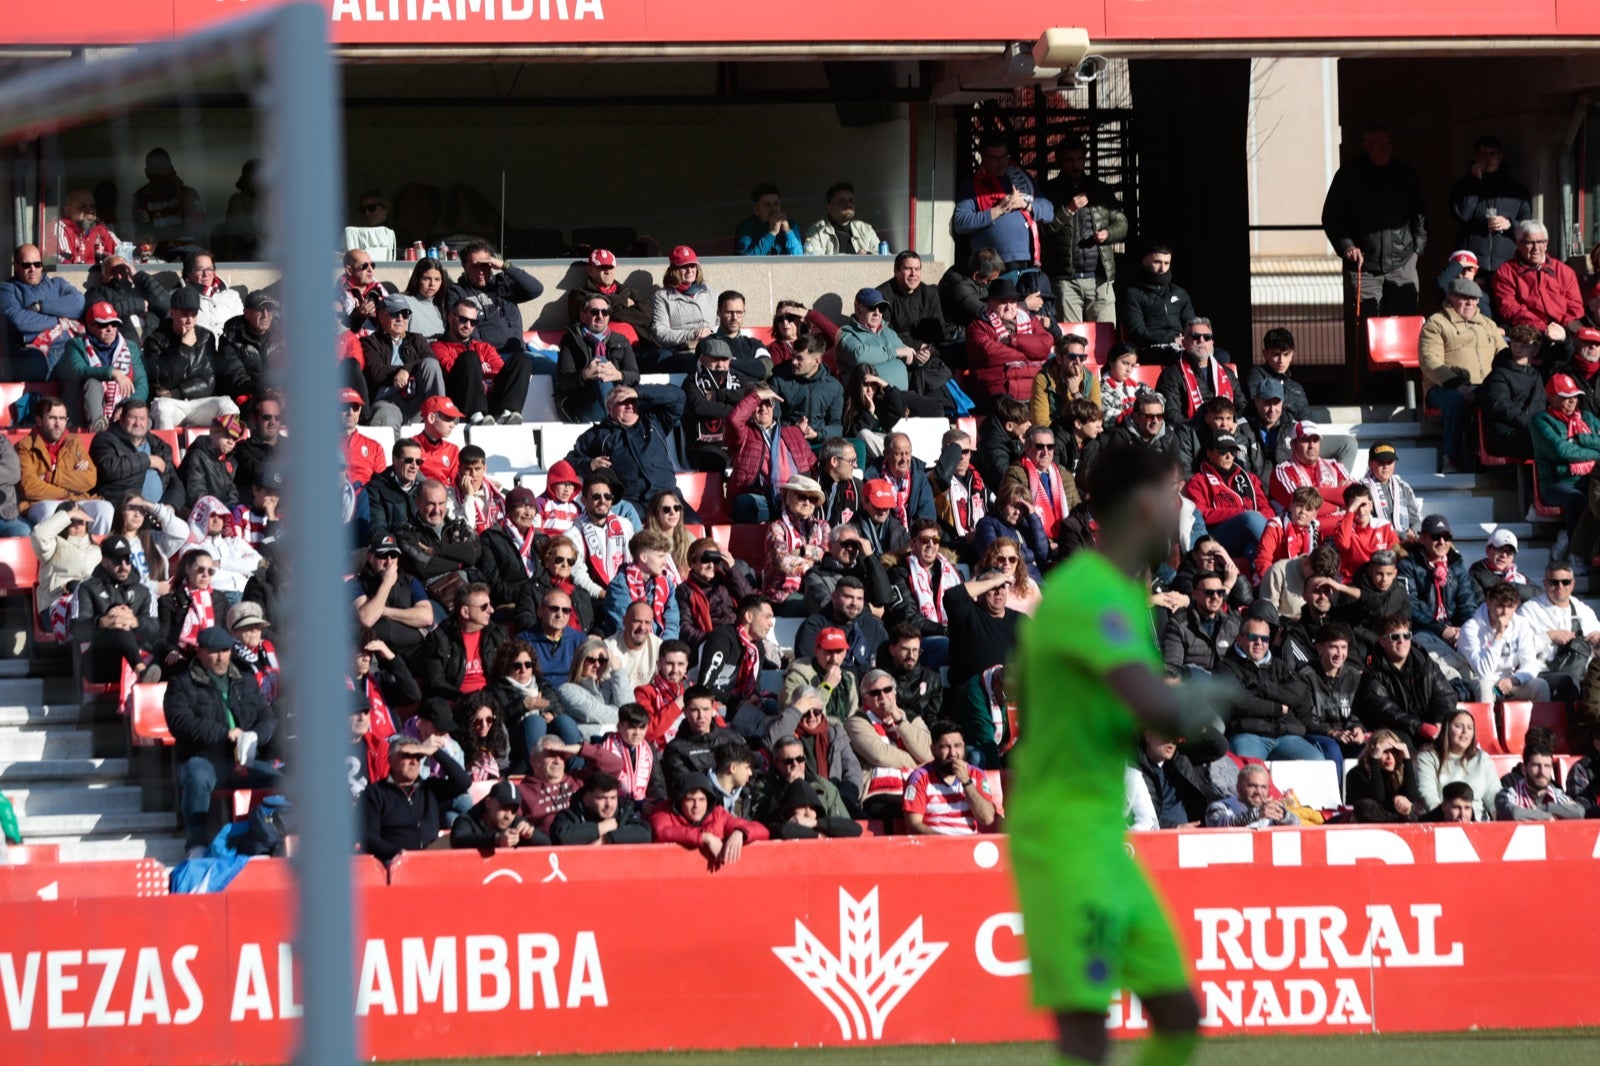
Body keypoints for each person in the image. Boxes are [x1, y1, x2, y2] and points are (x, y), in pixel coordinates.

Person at [163, 626, 281, 852]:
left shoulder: (244, 679)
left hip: (241, 761)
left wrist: (255, 735)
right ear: (199, 652)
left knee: (282, 782)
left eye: (225, 651)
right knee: (197, 777)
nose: (221, 657)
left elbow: (268, 717)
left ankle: (274, 840)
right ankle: (196, 845)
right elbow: (180, 722)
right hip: (201, 757)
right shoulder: (181, 683)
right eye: (214, 652)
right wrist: (224, 734)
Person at [1320, 125, 1427, 320]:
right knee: (1368, 328)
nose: (1386, 148)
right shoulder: (1348, 176)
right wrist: (1347, 246)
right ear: (1367, 145)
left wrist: (1417, 250)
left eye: (1389, 144)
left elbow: (1419, 215)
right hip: (1364, 266)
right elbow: (1331, 216)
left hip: (1403, 263)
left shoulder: (1404, 174)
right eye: (1380, 144)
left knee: (1404, 326)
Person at [1241, 328, 1359, 469]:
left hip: (1300, 438)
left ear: (1292, 355)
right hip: (1273, 438)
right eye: (1276, 354)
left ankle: (1341, 484)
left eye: (1286, 354)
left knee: (1348, 444)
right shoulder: (1256, 375)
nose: (1281, 360)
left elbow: (1308, 418)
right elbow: (1263, 409)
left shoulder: (1296, 387)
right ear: (1265, 353)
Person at [1039, 137, 1126, 324]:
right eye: (1070, 160)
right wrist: (1068, 209)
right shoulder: (1049, 190)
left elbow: (1122, 223)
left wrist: (1109, 234)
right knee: (1069, 340)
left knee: (1105, 337)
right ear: (1059, 161)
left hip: (1100, 278)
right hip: (1065, 279)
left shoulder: (1100, 189)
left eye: (1079, 159)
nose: (1075, 165)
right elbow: (1043, 229)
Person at [1420, 277, 1503, 470]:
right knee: (1456, 400)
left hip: (1484, 385)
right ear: (1450, 298)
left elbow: (1503, 354)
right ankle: (1451, 458)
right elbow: (1429, 361)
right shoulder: (1436, 323)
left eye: (1474, 299)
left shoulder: (1487, 324)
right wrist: (1455, 383)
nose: (1470, 303)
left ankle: (1494, 457)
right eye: (1464, 298)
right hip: (1444, 387)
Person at [1218, 614, 1323, 761]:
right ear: (1239, 638)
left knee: (1318, 763)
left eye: (1265, 639)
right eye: (1253, 637)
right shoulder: (1226, 667)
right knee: (1247, 767)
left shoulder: (1279, 665)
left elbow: (1298, 693)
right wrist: (1278, 708)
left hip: (1286, 735)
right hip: (1248, 734)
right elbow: (1241, 702)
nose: (1259, 643)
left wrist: (1264, 690)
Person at [566, 386, 684, 514]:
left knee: (694, 525)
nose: (629, 406)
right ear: (609, 407)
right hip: (631, 503)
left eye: (632, 401)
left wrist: (638, 392)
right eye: (622, 402)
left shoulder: (654, 422)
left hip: (668, 496)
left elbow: (679, 397)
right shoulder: (597, 435)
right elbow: (568, 463)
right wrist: (589, 465)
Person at [953, 133, 1054, 273]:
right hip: (993, 267)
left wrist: (1025, 204)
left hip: (1029, 260)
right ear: (983, 156)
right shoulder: (972, 184)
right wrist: (998, 210)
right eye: (994, 158)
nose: (1000, 163)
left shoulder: (1021, 179)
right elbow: (960, 223)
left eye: (1003, 157)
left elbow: (1049, 211)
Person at [362, 733, 471, 860]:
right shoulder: (375, 793)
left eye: (418, 757)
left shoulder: (429, 788)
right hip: (394, 864)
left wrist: (435, 752)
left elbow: (463, 782)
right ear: (391, 760)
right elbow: (369, 838)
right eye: (407, 756)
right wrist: (401, 855)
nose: (414, 762)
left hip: (431, 862)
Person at [142, 286, 237, 430]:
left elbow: (209, 382)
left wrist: (175, 392)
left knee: (228, 405)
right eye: (185, 314)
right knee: (162, 408)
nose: (190, 320)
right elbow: (162, 381)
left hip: (200, 403)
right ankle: (166, 452)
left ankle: (231, 450)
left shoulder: (206, 336)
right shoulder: (155, 340)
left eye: (194, 314)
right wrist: (184, 349)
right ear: (172, 312)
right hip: (172, 406)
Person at [1355, 613, 1458, 743]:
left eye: (1406, 636)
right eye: (1395, 637)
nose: (1402, 641)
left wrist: (1439, 721)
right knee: (1402, 741)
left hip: (1430, 728)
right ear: (1382, 641)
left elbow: (1446, 695)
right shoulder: (1373, 673)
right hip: (1395, 731)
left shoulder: (1426, 664)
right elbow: (1385, 710)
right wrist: (1419, 727)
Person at [16, 395, 112, 533]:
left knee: (104, 508)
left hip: (76, 500)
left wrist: (51, 477)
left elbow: (90, 479)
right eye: (52, 418)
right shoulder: (25, 446)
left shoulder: (73, 442)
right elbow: (29, 487)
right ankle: (50, 553)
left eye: (62, 418)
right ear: (39, 420)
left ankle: (96, 553)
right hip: (39, 502)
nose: (58, 424)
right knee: (50, 510)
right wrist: (68, 491)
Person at [1532, 373, 1600, 564]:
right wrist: (1595, 451)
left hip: (1591, 478)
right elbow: (1561, 451)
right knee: (1579, 498)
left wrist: (1582, 439)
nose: (1572, 401)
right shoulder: (1541, 421)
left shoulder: (1588, 418)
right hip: (1557, 482)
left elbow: (1571, 447)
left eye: (1574, 396)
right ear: (1551, 398)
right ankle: (1575, 552)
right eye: (1565, 397)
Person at [430, 298, 532, 426]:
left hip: (489, 399)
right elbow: (451, 370)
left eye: (473, 322)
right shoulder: (438, 347)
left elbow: (499, 370)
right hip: (461, 399)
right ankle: (476, 416)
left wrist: (482, 382)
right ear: (451, 317)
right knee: (470, 358)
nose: (468, 325)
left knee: (521, 360)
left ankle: (507, 414)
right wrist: (480, 380)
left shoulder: (484, 347)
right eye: (463, 320)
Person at [1492, 221, 1584, 360]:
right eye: (1529, 242)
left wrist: (1559, 330)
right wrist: (1542, 329)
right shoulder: (1506, 271)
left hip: (1564, 331)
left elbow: (1575, 307)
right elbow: (1509, 308)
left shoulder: (1564, 271)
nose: (1536, 248)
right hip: (1529, 334)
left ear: (1546, 243)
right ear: (1518, 243)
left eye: (1540, 242)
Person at [724, 386, 817, 523]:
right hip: (764, 498)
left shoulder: (793, 432)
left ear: (773, 407)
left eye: (767, 403)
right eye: (757, 404)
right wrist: (756, 396)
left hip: (795, 495)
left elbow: (812, 463)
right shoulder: (745, 434)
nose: (763, 408)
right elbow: (734, 421)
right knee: (744, 503)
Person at [55, 301, 146, 431]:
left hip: (123, 409)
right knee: (92, 382)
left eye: (114, 323)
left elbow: (142, 383)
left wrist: (127, 406)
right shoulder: (75, 345)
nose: (110, 329)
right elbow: (79, 370)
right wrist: (113, 373)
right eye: (103, 324)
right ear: (91, 326)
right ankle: (98, 429)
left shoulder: (130, 347)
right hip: (83, 413)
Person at [1450, 134, 1532, 276]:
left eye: (1492, 153)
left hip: (1507, 264)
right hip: (1472, 264)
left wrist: (1509, 224)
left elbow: (1528, 228)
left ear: (1500, 157)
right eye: (1483, 154)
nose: (1488, 158)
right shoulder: (1463, 186)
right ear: (1476, 157)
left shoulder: (1516, 191)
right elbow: (1464, 214)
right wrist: (1474, 181)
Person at [1183, 433, 1271, 564]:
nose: (1229, 456)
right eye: (1223, 451)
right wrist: (1240, 513)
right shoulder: (1198, 481)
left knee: (1252, 550)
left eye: (1233, 451)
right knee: (1250, 518)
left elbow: (1266, 508)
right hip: (1217, 535)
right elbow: (1201, 514)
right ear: (1210, 453)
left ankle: (1260, 581)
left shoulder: (1250, 478)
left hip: (1249, 532)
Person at [360, 295, 446, 428]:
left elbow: (431, 361)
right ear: (382, 315)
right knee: (385, 419)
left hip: (417, 399)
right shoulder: (370, 342)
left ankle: (440, 411)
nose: (401, 318)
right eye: (395, 314)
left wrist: (406, 369)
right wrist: (400, 371)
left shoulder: (417, 339)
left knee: (430, 364)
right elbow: (376, 373)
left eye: (405, 314)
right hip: (389, 400)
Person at [1, 244, 85, 379]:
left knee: (83, 360)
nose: (32, 269)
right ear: (15, 266)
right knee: (36, 361)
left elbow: (78, 304)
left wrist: (40, 307)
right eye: (26, 265)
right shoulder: (7, 290)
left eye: (37, 264)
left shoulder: (57, 284)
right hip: (29, 352)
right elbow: (19, 321)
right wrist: (59, 321)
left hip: (64, 347)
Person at [650, 773, 769, 869]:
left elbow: (762, 830)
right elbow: (661, 832)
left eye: (701, 799)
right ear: (679, 801)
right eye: (690, 800)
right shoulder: (663, 811)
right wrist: (704, 837)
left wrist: (740, 833)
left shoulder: (717, 814)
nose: (697, 805)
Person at [902, 720, 1001, 836]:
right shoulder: (919, 777)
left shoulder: (976, 775)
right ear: (933, 749)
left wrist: (966, 782)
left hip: (969, 845)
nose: (953, 753)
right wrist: (949, 843)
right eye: (945, 747)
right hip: (934, 847)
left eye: (957, 746)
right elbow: (913, 825)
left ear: (964, 747)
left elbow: (987, 819)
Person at [1458, 581, 1551, 704]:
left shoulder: (1521, 624)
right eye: (1500, 606)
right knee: (1484, 685)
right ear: (1489, 603)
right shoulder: (1471, 628)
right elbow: (1483, 672)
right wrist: (1499, 634)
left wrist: (1514, 680)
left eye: (1510, 607)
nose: (1505, 612)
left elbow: (1530, 664)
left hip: (1506, 683)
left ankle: (1540, 724)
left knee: (1541, 686)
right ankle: (1486, 723)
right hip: (1476, 682)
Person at [1520, 561, 1600, 701]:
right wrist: (1548, 636)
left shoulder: (1585, 611)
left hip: (1583, 672)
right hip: (1543, 673)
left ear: (1573, 584)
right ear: (1545, 584)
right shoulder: (1529, 610)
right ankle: (1568, 722)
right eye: (1554, 582)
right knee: (1568, 681)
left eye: (1565, 582)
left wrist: (1597, 643)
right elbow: (1516, 649)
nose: (1560, 587)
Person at [448, 241, 544, 356]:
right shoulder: (457, 292)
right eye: (475, 266)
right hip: (488, 357)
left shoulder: (503, 282)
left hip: (519, 352)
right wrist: (487, 357)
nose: (481, 272)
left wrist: (505, 266)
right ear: (464, 267)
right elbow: (462, 329)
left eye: (485, 265)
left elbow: (536, 289)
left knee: (554, 369)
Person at [557, 293, 641, 424]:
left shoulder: (621, 340)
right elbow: (563, 381)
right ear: (583, 316)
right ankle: (613, 423)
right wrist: (585, 375)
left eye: (605, 312)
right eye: (595, 312)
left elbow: (635, 376)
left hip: (620, 402)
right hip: (584, 403)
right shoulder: (571, 340)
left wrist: (618, 374)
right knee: (601, 363)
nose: (600, 316)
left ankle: (613, 420)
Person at [964, 279, 1055, 400]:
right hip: (999, 389)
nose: (1009, 307)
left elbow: (1046, 343)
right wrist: (1032, 354)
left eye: (1012, 302)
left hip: (1034, 388)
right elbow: (990, 354)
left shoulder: (1030, 321)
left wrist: (1013, 341)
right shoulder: (977, 326)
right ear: (990, 303)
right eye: (1003, 302)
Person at [1414, 707, 1501, 821]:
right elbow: (1427, 795)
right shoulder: (1428, 757)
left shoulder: (1482, 758)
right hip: (1443, 820)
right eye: (1459, 726)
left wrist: (1499, 814)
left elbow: (1494, 794)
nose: (1465, 731)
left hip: (1479, 823)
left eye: (1470, 728)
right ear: (1447, 730)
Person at [942, 569, 1023, 688]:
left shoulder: (1020, 620)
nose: (998, 591)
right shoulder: (967, 613)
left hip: (1011, 695)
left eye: (1001, 586)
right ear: (980, 590)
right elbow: (951, 596)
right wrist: (993, 581)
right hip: (971, 694)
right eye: (993, 587)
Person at [1003, 426, 1079, 552]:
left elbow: (1077, 512)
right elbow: (1017, 516)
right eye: (1040, 446)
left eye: (1050, 447)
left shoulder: (1066, 476)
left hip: (1066, 542)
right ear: (1027, 448)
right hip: (1033, 542)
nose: (1046, 452)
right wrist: (1046, 544)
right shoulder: (1015, 474)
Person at [696, 594, 777, 710]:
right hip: (702, 702)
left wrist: (754, 697)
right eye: (767, 617)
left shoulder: (757, 647)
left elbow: (755, 685)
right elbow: (704, 687)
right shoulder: (721, 639)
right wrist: (737, 702)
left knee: (772, 707)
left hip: (733, 701)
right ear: (749, 616)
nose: (771, 623)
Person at [680, 337, 750, 470]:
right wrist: (736, 409)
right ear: (703, 359)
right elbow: (700, 408)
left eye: (724, 360)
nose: (720, 365)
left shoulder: (740, 379)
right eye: (715, 359)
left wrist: (719, 395)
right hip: (703, 446)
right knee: (714, 458)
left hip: (738, 442)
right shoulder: (692, 381)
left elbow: (750, 402)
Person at [1130, 731, 1224, 829]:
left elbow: (1220, 748)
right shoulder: (1132, 768)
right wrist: (1175, 827)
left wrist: (1199, 725)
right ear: (1148, 735)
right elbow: (1135, 817)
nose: (1171, 742)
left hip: (1193, 831)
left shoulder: (1181, 758)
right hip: (1158, 835)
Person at [662, 686, 745, 792]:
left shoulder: (733, 738)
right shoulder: (675, 749)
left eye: (706, 709)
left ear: (713, 710)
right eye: (694, 710)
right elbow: (685, 786)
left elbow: (749, 774)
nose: (701, 716)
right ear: (685, 711)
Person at [1479, 323, 1544, 461]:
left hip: (1528, 431)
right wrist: (1529, 425)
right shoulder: (1499, 374)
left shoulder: (1537, 375)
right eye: (1515, 344)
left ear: (1535, 350)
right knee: (1546, 441)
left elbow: (1538, 405)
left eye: (1525, 345)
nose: (1519, 349)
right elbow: (1500, 406)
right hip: (1504, 434)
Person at [1154, 319, 1239, 424]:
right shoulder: (1171, 375)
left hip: (1227, 432)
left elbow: (1241, 405)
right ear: (1184, 342)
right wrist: (1198, 430)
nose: (1201, 340)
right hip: (1191, 435)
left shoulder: (1227, 374)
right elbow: (1171, 414)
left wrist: (1232, 425)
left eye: (1207, 337)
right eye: (1195, 336)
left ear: (1212, 343)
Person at [602, 530, 680, 640]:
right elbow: (625, 625)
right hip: (630, 647)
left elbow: (672, 623)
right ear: (643, 557)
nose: (665, 562)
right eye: (660, 556)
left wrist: (663, 647)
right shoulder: (619, 585)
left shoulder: (668, 585)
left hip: (662, 648)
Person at [1118, 244, 1195, 356]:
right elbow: (1137, 331)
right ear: (1145, 261)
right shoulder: (1134, 294)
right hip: (1150, 347)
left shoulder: (1180, 293)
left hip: (1182, 345)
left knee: (1221, 355)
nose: (1162, 269)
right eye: (1157, 262)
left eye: (1166, 263)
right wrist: (1172, 339)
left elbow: (1192, 325)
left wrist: (1189, 339)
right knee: (1180, 355)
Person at [1161, 570, 1241, 678]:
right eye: (1209, 592)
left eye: (1220, 592)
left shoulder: (1233, 624)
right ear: (1195, 594)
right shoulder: (1179, 625)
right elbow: (1172, 669)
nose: (1215, 597)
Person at [647, 247, 716, 371]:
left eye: (692, 266)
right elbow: (661, 333)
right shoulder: (662, 297)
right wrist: (692, 334)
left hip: (713, 345)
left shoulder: (709, 292)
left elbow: (721, 321)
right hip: (684, 350)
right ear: (674, 270)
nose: (690, 271)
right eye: (684, 267)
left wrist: (711, 331)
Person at [132, 148, 206, 259]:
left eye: (163, 169)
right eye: (155, 170)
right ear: (147, 173)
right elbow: (147, 237)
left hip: (192, 253)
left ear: (171, 170)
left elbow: (197, 229)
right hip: (160, 255)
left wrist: (180, 193)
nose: (159, 174)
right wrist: (181, 229)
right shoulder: (141, 198)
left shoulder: (189, 193)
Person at [770, 334, 844, 444]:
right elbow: (773, 420)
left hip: (820, 442)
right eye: (793, 356)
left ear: (817, 361)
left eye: (799, 358)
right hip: (787, 441)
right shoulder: (779, 380)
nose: (793, 362)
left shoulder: (834, 387)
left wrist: (817, 434)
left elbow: (836, 426)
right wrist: (794, 429)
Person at [1270, 420, 1351, 517]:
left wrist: (1316, 492)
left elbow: (1359, 496)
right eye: (1305, 440)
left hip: (1341, 527)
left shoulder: (1334, 465)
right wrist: (1339, 505)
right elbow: (1302, 506)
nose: (1311, 446)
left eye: (1315, 440)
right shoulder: (1283, 471)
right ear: (1292, 445)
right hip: (1302, 530)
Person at [550, 771, 653, 846]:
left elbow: (645, 833)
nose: (609, 804)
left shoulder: (623, 811)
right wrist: (599, 828)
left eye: (613, 798)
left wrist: (606, 839)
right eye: (602, 798)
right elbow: (562, 836)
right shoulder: (571, 814)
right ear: (586, 799)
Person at [563, 248, 651, 335]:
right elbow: (589, 318)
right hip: (598, 346)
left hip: (639, 346)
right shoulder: (578, 295)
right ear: (590, 271)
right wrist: (624, 302)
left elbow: (647, 315)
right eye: (602, 267)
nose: (608, 271)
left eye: (611, 267)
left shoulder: (628, 292)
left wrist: (608, 311)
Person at [214, 290, 282, 402]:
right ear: (246, 313)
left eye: (269, 309)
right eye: (260, 310)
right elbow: (237, 379)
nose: (265, 315)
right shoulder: (230, 339)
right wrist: (265, 392)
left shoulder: (281, 334)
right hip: (248, 396)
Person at [1344, 730, 1421, 823]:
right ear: (1373, 752)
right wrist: (1375, 759)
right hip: (1366, 822)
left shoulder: (1399, 771)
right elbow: (1377, 798)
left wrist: (1407, 759)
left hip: (1393, 821)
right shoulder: (1357, 773)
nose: (1390, 757)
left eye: (1394, 752)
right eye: (1384, 752)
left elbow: (1411, 797)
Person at [878, 251, 949, 348]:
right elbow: (886, 334)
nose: (913, 274)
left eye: (917, 269)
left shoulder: (930, 294)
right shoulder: (882, 296)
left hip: (929, 350)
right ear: (896, 271)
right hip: (898, 351)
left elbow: (939, 329)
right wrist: (917, 346)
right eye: (908, 269)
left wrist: (930, 350)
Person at [451, 780, 547, 850]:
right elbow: (458, 842)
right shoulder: (467, 820)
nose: (508, 816)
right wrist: (496, 839)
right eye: (504, 807)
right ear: (488, 803)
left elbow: (547, 844)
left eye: (514, 810)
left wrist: (531, 835)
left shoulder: (517, 823)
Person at [1495, 745, 1584, 821]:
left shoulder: (1556, 794)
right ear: (1524, 769)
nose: (1542, 772)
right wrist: (1549, 817)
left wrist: (1541, 808)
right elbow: (1514, 814)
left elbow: (1579, 812)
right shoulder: (1508, 794)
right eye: (1536, 765)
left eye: (1547, 766)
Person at [177, 413, 244, 511]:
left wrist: (232, 509)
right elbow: (196, 493)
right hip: (198, 512)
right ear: (213, 433)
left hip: (219, 513)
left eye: (234, 439)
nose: (231, 442)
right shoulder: (196, 455)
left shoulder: (230, 461)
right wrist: (217, 511)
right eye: (227, 436)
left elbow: (231, 492)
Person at [1203, 764, 1301, 829]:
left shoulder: (1271, 809)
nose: (1258, 791)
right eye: (1252, 786)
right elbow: (1220, 825)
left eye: (1263, 787)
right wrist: (1256, 814)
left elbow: (1297, 824)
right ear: (1239, 788)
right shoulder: (1219, 807)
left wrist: (1283, 815)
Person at [1362, 442, 1422, 544]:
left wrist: (1413, 531)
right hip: (1376, 542)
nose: (1385, 466)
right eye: (1381, 462)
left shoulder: (1404, 488)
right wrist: (1399, 535)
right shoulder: (1361, 488)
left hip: (1407, 541)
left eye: (1389, 462)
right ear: (1370, 463)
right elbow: (1367, 522)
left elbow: (1415, 519)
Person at [365, 437, 424, 539]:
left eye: (418, 462)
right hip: (393, 547)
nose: (414, 466)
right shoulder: (376, 488)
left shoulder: (423, 488)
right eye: (409, 460)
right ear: (395, 460)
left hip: (422, 545)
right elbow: (377, 527)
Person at [938, 247, 1003, 337]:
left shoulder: (972, 270)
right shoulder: (960, 286)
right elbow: (986, 310)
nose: (990, 284)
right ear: (976, 276)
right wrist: (1024, 305)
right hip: (955, 334)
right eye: (989, 281)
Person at [178, 251, 243, 340]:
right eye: (199, 269)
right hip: (200, 351)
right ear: (188, 273)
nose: (206, 274)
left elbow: (243, 325)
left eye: (209, 269)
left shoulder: (232, 295)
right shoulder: (179, 299)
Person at [1105, 391, 1179, 463]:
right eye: (1149, 416)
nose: (1155, 421)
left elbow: (1176, 471)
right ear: (1136, 417)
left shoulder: (1170, 438)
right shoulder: (1121, 438)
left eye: (1159, 416)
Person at [1466, 527, 1536, 603]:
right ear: (1488, 550)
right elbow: (1480, 603)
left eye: (1509, 553)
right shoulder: (1476, 573)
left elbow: (1537, 593)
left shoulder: (1518, 577)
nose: (1504, 555)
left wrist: (1512, 586)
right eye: (1499, 550)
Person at [53, 188, 119, 266]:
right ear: (68, 210)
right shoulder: (60, 227)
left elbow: (122, 253)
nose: (90, 210)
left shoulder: (100, 228)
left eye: (93, 206)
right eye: (83, 206)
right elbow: (65, 263)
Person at [735, 183, 803, 256]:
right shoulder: (746, 227)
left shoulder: (791, 225)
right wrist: (772, 233)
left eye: (776, 204)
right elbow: (745, 260)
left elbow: (799, 257)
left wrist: (788, 231)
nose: (773, 208)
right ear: (756, 209)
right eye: (767, 205)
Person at [401, 255, 449, 338]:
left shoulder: (441, 306)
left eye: (437, 279)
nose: (432, 284)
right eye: (426, 278)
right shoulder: (404, 302)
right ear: (417, 279)